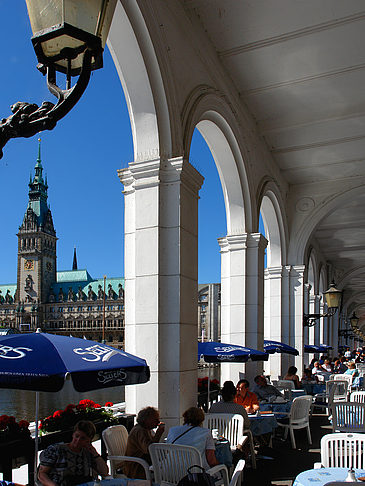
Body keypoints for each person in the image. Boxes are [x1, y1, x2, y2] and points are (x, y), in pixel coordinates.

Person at [38, 420, 108, 486]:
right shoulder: (56, 450)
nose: (78, 440)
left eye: (83, 438)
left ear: (88, 440)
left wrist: (95, 454)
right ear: (73, 435)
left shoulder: (87, 453)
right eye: (77, 436)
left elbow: (104, 472)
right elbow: (41, 474)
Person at [121, 406, 165, 479]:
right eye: (155, 420)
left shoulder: (146, 429)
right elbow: (149, 449)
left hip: (143, 462)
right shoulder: (140, 431)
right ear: (147, 420)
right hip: (137, 467)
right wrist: (158, 434)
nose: (158, 422)